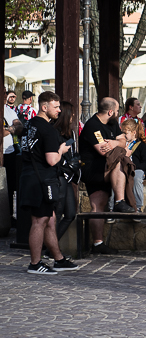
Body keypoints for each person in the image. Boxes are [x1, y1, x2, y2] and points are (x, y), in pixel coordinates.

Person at [18, 91, 78, 274]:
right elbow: (52, 160)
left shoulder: (29, 125)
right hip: (41, 180)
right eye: (56, 106)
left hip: (30, 176)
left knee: (51, 220)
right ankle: (35, 264)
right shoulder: (48, 130)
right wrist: (61, 149)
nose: (59, 110)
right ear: (44, 107)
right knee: (40, 220)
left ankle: (58, 259)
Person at [80, 98, 133, 254]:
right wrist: (120, 148)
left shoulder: (112, 123)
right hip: (93, 170)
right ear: (110, 112)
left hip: (104, 167)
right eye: (117, 111)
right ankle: (119, 201)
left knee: (99, 205)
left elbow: (124, 140)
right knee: (120, 161)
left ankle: (98, 244)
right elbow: (103, 150)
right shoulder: (92, 126)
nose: (118, 113)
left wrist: (116, 143)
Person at [53, 101, 80, 241]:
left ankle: (52, 248)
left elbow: (73, 153)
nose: (73, 115)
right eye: (71, 112)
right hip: (58, 176)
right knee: (57, 214)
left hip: (68, 177)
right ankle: (50, 249)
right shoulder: (54, 132)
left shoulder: (71, 133)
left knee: (70, 214)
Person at [121, 118, 146, 211]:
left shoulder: (140, 145)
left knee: (136, 178)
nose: (123, 135)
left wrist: (134, 167)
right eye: (122, 133)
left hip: (137, 169)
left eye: (125, 133)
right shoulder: (121, 144)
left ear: (133, 132)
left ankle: (138, 206)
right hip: (123, 168)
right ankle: (113, 206)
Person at [3, 89, 23, 227]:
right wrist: (11, 128)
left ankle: (9, 215)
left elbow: (19, 126)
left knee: (10, 186)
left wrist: (10, 128)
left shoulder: (9, 110)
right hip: (2, 152)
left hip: (11, 151)